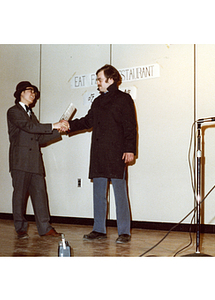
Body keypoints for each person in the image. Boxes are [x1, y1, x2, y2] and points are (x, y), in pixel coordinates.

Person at [67, 64, 137, 244]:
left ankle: (124, 232)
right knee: (98, 193)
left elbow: (130, 126)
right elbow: (87, 121)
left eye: (99, 79)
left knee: (120, 193)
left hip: (117, 154)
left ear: (110, 80)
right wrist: (68, 125)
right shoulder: (97, 102)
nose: (97, 82)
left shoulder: (124, 99)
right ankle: (99, 229)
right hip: (98, 154)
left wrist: (130, 149)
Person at [7, 81, 68, 239]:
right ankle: (20, 229)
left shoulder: (31, 114)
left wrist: (58, 130)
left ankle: (45, 228)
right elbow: (29, 127)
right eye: (30, 91)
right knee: (19, 196)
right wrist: (53, 125)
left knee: (40, 195)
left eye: (34, 92)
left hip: (34, 161)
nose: (33, 94)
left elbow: (39, 138)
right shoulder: (13, 111)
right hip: (20, 161)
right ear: (21, 92)